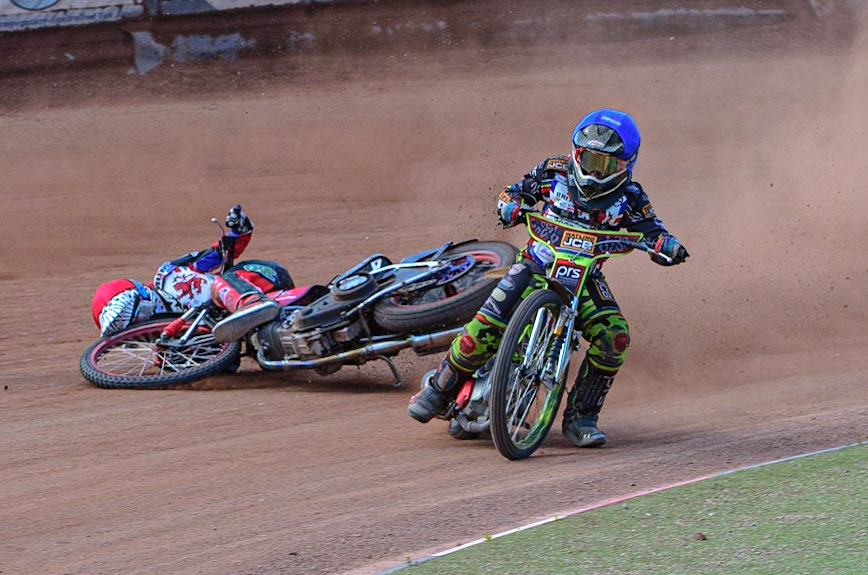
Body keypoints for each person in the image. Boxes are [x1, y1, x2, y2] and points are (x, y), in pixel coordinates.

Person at [407, 108, 689, 447]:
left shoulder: (631, 198)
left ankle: (581, 417)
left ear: (626, 164)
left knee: (614, 336)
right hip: (535, 264)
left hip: (585, 278)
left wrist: (666, 245)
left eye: (606, 164)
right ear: (575, 152)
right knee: (485, 325)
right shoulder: (553, 171)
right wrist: (510, 204)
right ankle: (439, 389)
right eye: (588, 159)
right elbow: (514, 191)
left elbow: (653, 229)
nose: (594, 171)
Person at [91, 205, 294, 342]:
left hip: (261, 278)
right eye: (130, 330)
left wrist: (239, 231)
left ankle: (249, 303)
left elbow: (216, 255)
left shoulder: (169, 276)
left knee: (206, 285)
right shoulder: (165, 338)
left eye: (135, 317)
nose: (141, 324)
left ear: (141, 295)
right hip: (258, 332)